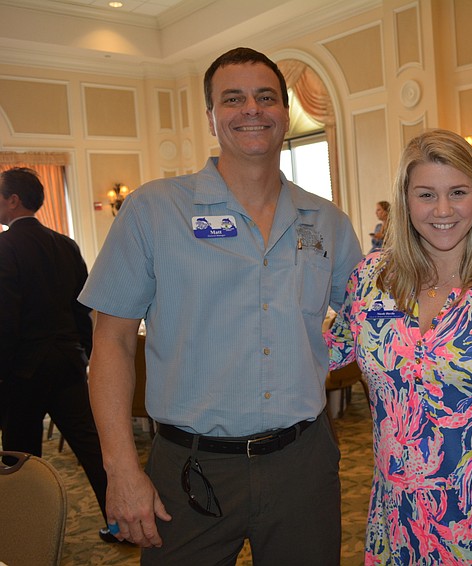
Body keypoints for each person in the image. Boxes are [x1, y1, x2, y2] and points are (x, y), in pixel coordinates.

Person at [79, 47, 362, 564]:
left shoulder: (327, 223)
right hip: (190, 468)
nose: (251, 109)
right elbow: (112, 340)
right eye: (233, 99)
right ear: (211, 117)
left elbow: (373, 327)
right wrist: (120, 468)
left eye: (266, 97)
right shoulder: (153, 210)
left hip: (302, 462)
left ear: (284, 110)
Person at [326, 129, 472, 564]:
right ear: (405, 201)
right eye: (426, 194)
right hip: (403, 513)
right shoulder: (372, 281)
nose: (443, 210)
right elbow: (317, 356)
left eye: (458, 193)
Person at [0, 167, 116, 544]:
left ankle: (28, 542)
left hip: (22, 371)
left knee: (21, 460)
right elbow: (83, 308)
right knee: (94, 450)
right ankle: (120, 524)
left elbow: (6, 319)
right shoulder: (66, 245)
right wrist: (83, 353)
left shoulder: (5, 248)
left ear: (13, 200)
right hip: (68, 362)